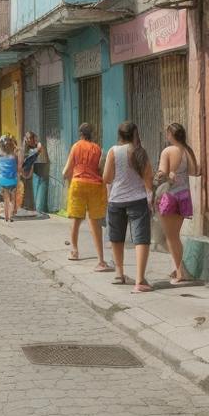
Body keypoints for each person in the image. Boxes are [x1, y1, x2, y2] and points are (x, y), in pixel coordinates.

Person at [103, 122, 154, 291]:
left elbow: (107, 178)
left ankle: (119, 274)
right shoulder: (139, 152)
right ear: (134, 134)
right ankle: (140, 280)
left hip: (116, 200)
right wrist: (150, 197)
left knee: (117, 237)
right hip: (138, 199)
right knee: (141, 238)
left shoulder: (113, 151)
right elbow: (148, 177)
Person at [155, 123, 200, 285]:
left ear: (170, 135)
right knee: (175, 236)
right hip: (185, 195)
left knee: (171, 237)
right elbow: (195, 172)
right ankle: (179, 268)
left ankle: (181, 272)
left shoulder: (168, 151)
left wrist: (158, 176)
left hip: (170, 196)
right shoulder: (188, 151)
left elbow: (162, 173)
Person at [63, 123, 110, 273]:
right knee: (95, 222)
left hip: (78, 184)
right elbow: (101, 170)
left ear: (80, 134)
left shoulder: (76, 146)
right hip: (96, 186)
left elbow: (66, 170)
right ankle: (101, 260)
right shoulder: (97, 148)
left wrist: (67, 178)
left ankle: (74, 251)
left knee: (76, 219)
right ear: (92, 134)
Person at [0, 135, 19, 223]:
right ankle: (2, 214)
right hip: (5, 178)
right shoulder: (2, 154)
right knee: (3, 197)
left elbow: (16, 167)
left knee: (5, 197)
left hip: (5, 178)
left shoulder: (11, 154)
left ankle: (5, 214)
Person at [19, 131, 44, 215]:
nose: (30, 140)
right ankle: (23, 207)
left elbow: (38, 149)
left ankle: (29, 208)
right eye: (29, 139)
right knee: (23, 190)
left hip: (29, 172)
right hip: (24, 171)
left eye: (32, 139)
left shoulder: (33, 147)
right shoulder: (24, 149)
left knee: (29, 190)